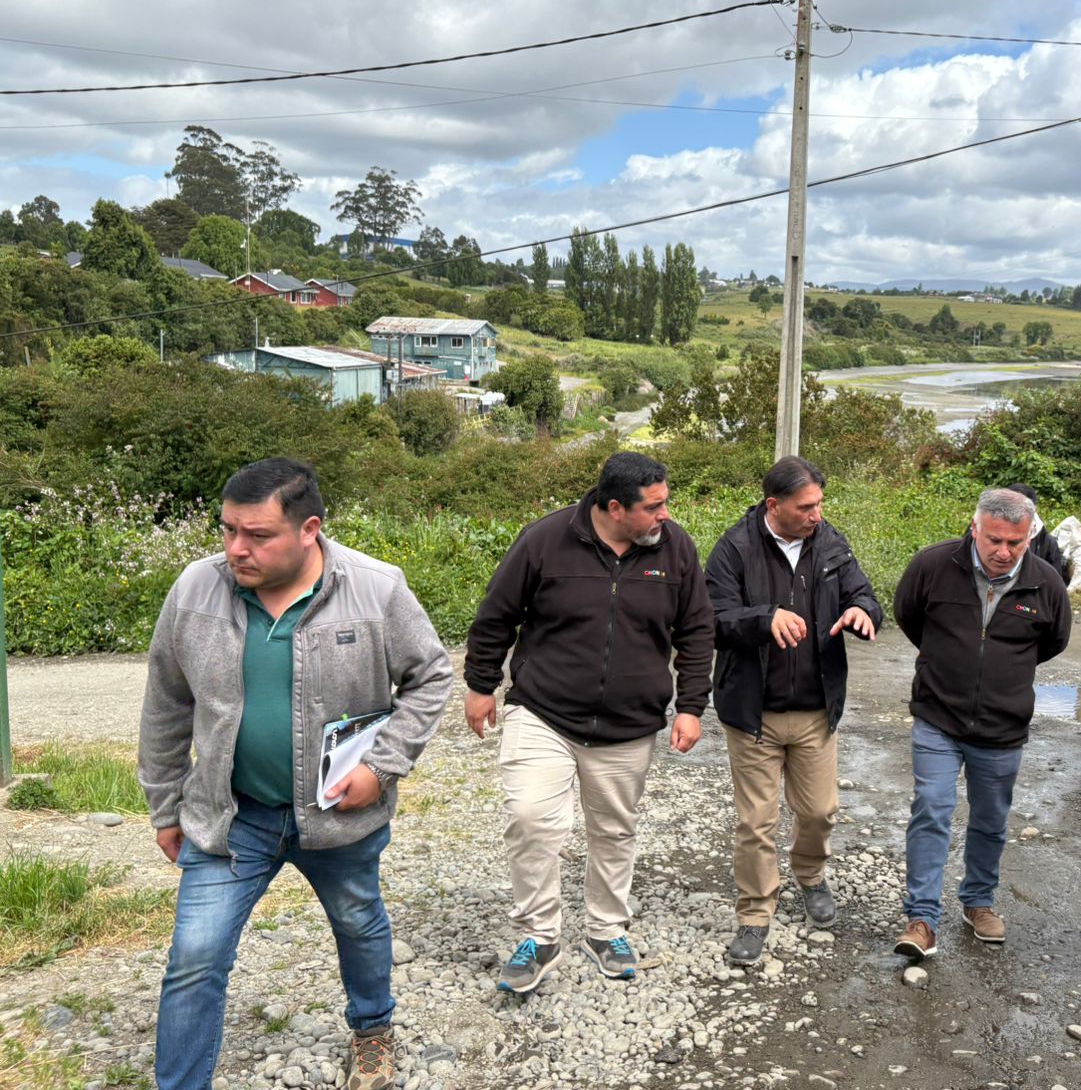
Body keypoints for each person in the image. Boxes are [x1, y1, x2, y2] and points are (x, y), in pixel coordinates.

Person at [139, 458, 453, 1090]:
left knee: (359, 924)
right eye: (228, 530)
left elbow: (432, 677)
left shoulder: (375, 588)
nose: (236, 549)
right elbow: (167, 701)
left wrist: (383, 766)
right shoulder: (195, 590)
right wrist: (165, 805)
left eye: (257, 536)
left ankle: (372, 1029)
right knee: (194, 960)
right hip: (234, 816)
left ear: (310, 529)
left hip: (340, 814)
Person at [464, 451, 714, 993]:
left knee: (613, 829)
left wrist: (692, 705)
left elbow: (696, 631)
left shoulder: (676, 550)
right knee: (531, 817)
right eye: (655, 506)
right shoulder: (545, 540)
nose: (665, 515)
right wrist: (481, 685)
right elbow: (496, 615)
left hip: (629, 723)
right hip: (543, 711)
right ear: (616, 507)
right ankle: (540, 935)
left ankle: (606, 930)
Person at [705, 456, 883, 965]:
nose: (817, 514)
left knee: (820, 810)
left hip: (814, 709)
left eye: (820, 503)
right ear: (774, 506)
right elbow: (712, 619)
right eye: (807, 506)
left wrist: (860, 612)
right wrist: (765, 619)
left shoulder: (830, 542)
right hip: (752, 713)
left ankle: (810, 876)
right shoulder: (734, 548)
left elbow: (865, 595)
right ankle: (755, 913)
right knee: (757, 821)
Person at [891, 487, 1071, 959]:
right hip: (937, 716)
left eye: (1014, 542)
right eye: (993, 539)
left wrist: (1001, 677)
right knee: (931, 808)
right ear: (975, 528)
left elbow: (1053, 642)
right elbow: (908, 617)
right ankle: (922, 919)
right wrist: (947, 662)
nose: (1002, 551)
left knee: (990, 821)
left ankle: (978, 902)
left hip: (1003, 726)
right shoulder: (932, 565)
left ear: (1030, 536)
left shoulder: (1047, 583)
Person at [1006, 482, 1071, 582]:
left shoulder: (1047, 543)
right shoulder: (983, 533)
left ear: (1034, 510)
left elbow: (1055, 582)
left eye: (1021, 508)